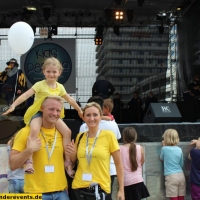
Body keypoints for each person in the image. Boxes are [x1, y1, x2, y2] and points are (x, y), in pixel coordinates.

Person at [3, 57, 83, 175]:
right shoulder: (40, 85)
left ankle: (67, 162)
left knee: (67, 132)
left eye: (54, 72)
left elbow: (69, 99)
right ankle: (29, 161)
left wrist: (79, 110)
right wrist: (13, 105)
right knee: (34, 130)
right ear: (43, 71)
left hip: (53, 115)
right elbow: (25, 95)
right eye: (48, 71)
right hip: (38, 113)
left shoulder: (60, 87)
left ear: (59, 73)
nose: (51, 74)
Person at [9, 95, 70, 199]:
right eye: (51, 109)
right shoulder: (25, 132)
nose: (55, 113)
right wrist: (29, 150)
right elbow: (13, 165)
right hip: (36, 193)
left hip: (61, 192)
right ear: (42, 108)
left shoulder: (62, 133)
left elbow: (70, 160)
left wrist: (71, 156)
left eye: (58, 110)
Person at [67, 101, 124, 200]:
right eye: (88, 115)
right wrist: (72, 154)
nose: (92, 118)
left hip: (100, 189)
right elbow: (75, 161)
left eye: (95, 115)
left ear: (100, 116)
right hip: (79, 188)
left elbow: (119, 165)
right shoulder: (80, 137)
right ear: (83, 118)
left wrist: (121, 190)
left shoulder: (109, 136)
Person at [120, 127, 150, 200]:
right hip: (138, 181)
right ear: (135, 137)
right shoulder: (140, 148)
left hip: (126, 183)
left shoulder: (120, 149)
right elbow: (141, 162)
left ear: (124, 137)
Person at [160, 129, 186, 200]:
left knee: (173, 196)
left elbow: (161, 158)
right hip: (180, 175)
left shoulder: (164, 149)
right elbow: (181, 164)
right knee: (181, 196)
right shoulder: (179, 149)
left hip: (171, 176)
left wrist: (163, 146)